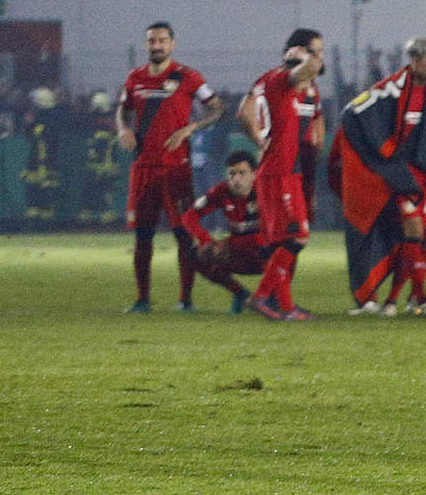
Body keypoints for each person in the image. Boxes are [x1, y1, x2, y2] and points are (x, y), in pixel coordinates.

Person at [330, 36, 426, 316]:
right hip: (395, 177)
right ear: (415, 60)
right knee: (412, 230)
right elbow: (353, 113)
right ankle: (403, 300)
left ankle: (405, 300)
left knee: (420, 237)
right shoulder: (388, 91)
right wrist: (384, 157)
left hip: (421, 176)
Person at [115, 21, 225, 313]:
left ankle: (185, 299)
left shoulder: (187, 76)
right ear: (146, 44)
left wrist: (191, 128)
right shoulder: (135, 78)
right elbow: (123, 109)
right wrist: (122, 129)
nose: (157, 45)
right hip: (143, 168)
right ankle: (142, 299)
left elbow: (217, 107)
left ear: (172, 44)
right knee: (142, 236)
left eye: (162, 40)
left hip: (176, 169)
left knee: (182, 235)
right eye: (152, 41)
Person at [237, 28, 325, 321]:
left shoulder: (274, 81)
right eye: (316, 50)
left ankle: (285, 307)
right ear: (298, 52)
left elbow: (244, 114)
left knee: (281, 242)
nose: (320, 58)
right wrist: (304, 58)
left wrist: (262, 140)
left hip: (285, 169)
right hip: (279, 172)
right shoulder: (280, 78)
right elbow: (313, 67)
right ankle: (261, 296)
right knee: (297, 237)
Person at [180, 150, 267, 314]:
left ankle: (273, 299)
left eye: (242, 173)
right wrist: (206, 240)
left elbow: (272, 234)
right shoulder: (221, 191)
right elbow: (188, 216)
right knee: (194, 255)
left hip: (264, 254)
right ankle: (240, 294)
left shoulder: (265, 192)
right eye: (232, 173)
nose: (236, 179)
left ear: (254, 174)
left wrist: (227, 243)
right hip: (238, 255)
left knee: (286, 250)